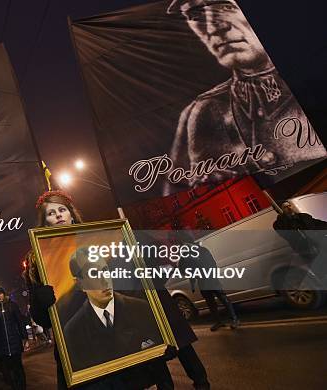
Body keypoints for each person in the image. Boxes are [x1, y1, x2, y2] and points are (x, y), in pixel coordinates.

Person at [26, 190, 209, 389]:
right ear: (44, 221)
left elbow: (126, 279)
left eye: (62, 209)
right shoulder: (39, 260)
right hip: (87, 349)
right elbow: (45, 319)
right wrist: (41, 301)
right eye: (51, 213)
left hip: (125, 330)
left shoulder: (101, 239)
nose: (59, 215)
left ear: (71, 213)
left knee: (158, 374)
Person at [165, 0, 325, 194]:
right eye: (195, 16)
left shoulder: (312, 81)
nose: (214, 29)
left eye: (226, 7)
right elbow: (178, 192)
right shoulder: (200, 111)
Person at [63, 247, 164, 371]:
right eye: (94, 274)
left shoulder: (141, 308)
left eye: (105, 270)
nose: (105, 280)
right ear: (80, 284)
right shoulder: (73, 331)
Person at [177, 230, 240, 331]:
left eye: (185, 244)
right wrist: (193, 283)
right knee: (211, 303)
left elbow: (212, 263)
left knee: (223, 299)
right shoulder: (186, 255)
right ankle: (218, 322)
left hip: (211, 279)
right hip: (202, 282)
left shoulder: (202, 250)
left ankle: (235, 319)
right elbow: (185, 269)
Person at [0, 286, 27, 390]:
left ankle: (22, 387)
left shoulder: (12, 305)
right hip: (3, 345)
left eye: (0, 293)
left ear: (4, 294)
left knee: (18, 367)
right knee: (9, 369)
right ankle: (14, 387)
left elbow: (20, 322)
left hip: (14, 341)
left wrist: (24, 337)